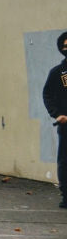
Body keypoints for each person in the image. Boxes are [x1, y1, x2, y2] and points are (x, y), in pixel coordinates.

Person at [41, 30, 67, 209]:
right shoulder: (57, 72)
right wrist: (57, 114)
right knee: (65, 162)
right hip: (66, 125)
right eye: (65, 46)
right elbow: (47, 95)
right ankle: (66, 195)